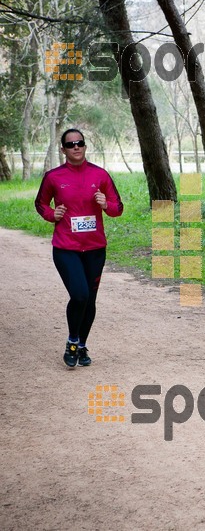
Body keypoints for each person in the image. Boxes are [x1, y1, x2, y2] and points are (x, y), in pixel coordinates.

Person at [35, 129, 124, 369]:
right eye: (70, 144)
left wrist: (107, 205)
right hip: (66, 248)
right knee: (80, 295)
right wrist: (53, 214)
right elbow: (40, 203)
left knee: (90, 300)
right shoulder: (54, 177)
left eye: (80, 143)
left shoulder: (100, 175)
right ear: (63, 149)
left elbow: (118, 207)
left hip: (95, 248)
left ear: (85, 146)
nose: (76, 147)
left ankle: (82, 344)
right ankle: (72, 341)